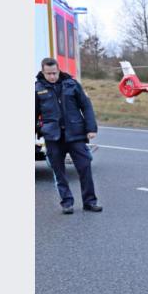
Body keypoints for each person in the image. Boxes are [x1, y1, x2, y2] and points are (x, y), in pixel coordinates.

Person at [35, 58, 102, 214]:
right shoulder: (37, 89)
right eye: (48, 74)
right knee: (59, 171)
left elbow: (86, 106)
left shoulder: (72, 85)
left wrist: (91, 128)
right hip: (53, 136)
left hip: (75, 134)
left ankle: (90, 202)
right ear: (43, 72)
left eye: (54, 73)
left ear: (59, 70)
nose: (52, 76)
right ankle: (67, 202)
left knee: (85, 167)